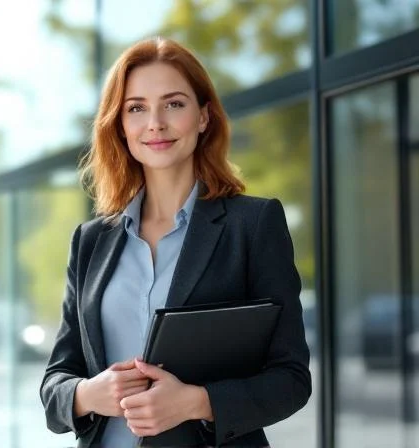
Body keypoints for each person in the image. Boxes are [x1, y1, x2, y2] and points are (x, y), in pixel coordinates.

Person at [39, 37, 311, 447]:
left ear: (204, 117)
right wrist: (87, 394)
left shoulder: (252, 224)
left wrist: (198, 402)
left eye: (174, 104)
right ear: (120, 125)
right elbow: (56, 381)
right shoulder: (91, 241)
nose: (155, 123)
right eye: (136, 108)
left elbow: (291, 379)